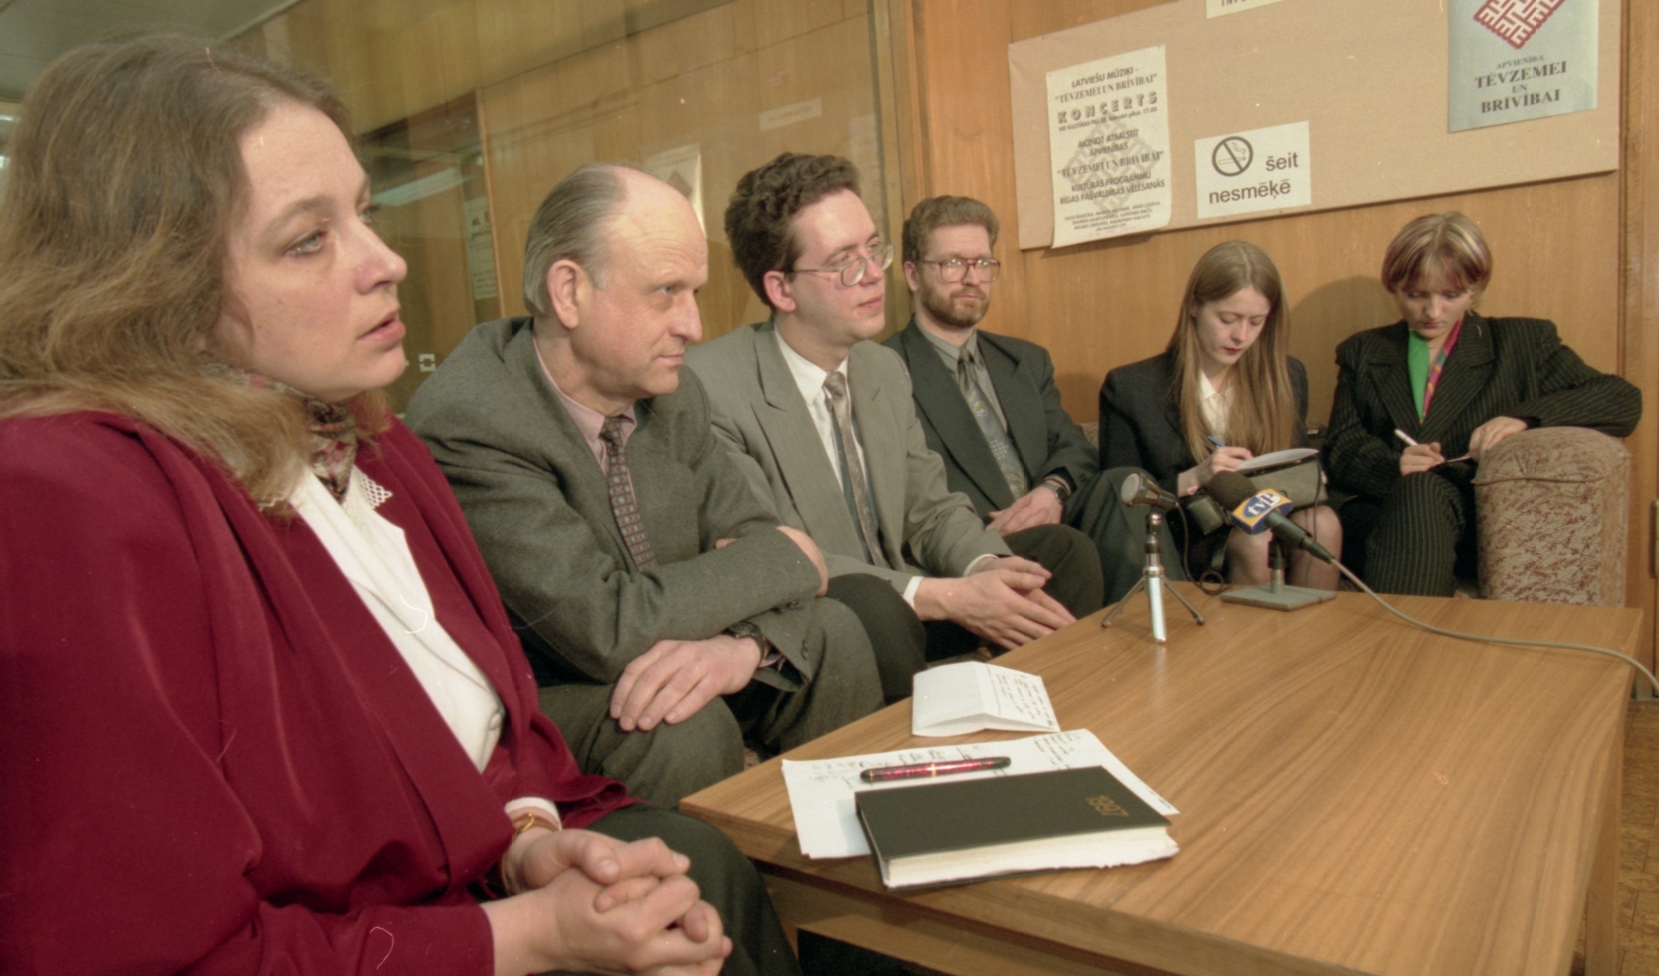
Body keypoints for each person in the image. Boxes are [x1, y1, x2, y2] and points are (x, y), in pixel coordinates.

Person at [0, 36, 799, 976]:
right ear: (152, 285)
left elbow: (486, 732)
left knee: (704, 867)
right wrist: (528, 934)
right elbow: (151, 952)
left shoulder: (374, 441)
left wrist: (528, 843)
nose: (388, 262)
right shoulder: (63, 496)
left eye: (365, 214)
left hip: (470, 904)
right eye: (308, 239)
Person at [406, 164, 881, 809]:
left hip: (670, 644)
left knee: (835, 633)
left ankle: (838, 852)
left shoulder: (674, 393)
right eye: (666, 292)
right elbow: (603, 626)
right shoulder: (474, 420)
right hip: (552, 690)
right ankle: (726, 875)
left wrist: (740, 647)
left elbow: (754, 537)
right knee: (676, 727)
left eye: (695, 292)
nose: (693, 326)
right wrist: (784, 558)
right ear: (569, 292)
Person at [686, 153, 1103, 704]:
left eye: (872, 249)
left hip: (907, 595)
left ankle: (1056, 715)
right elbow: (775, 556)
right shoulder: (711, 386)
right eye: (844, 263)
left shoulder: (881, 367)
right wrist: (948, 597)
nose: (873, 274)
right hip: (825, 616)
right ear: (782, 290)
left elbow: (929, 508)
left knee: (1058, 555)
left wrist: (988, 569)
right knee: (873, 609)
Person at [1323, 211, 1641, 595]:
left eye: (1450, 295)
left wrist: (1524, 418)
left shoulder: (1521, 343)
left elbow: (1621, 399)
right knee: (1406, 494)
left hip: (1470, 519)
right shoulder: (1364, 350)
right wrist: (1395, 466)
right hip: (1381, 513)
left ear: (1475, 288)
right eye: (1415, 295)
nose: (1432, 312)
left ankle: (1400, 632)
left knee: (1422, 492)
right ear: (1393, 286)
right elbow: (1341, 446)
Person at [884, 195, 1177, 602]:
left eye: (982, 263)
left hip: (1055, 521)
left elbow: (1074, 447)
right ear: (913, 275)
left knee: (1122, 484)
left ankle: (1166, 621)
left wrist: (1052, 491)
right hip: (980, 541)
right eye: (953, 263)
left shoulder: (1025, 360)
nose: (972, 278)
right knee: (1067, 547)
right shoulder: (885, 371)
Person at [1099, 240, 1341, 588]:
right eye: (1227, 319)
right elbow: (1116, 501)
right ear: (1194, 306)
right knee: (1255, 542)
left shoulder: (1288, 376)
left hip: (1270, 515)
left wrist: (1308, 479)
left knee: (1324, 523)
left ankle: (1313, 626)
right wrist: (1193, 477)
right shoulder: (1131, 387)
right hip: (1188, 532)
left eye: (1256, 322)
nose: (1241, 336)